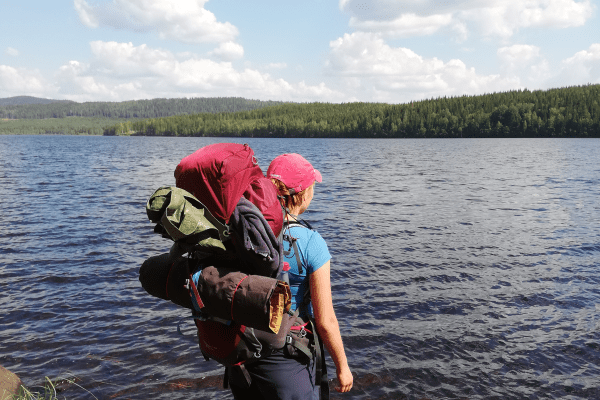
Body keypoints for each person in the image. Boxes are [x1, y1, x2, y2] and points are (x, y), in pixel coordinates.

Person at [227, 153, 353, 399]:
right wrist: (343, 368)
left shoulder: (245, 232)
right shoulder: (311, 243)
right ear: (303, 194)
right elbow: (325, 321)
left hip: (242, 354)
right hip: (287, 360)